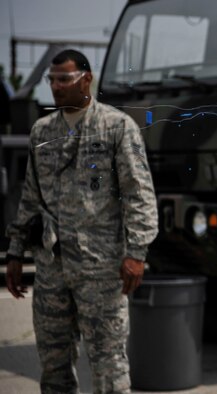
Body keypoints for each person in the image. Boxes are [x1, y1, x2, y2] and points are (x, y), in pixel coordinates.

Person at [4, 49, 158, 393]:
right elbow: (31, 196)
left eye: (65, 79)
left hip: (101, 270)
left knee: (108, 367)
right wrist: (15, 252)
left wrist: (137, 253)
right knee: (54, 367)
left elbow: (140, 195)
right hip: (52, 270)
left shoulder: (117, 127)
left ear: (86, 79)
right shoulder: (42, 131)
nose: (57, 87)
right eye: (52, 80)